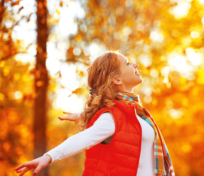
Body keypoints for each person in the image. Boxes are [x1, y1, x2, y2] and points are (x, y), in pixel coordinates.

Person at [15, 51, 175, 176]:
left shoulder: (135, 112)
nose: (135, 64)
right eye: (127, 63)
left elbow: (121, 121)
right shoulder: (111, 118)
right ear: (117, 80)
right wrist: (48, 157)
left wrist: (83, 114)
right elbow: (83, 139)